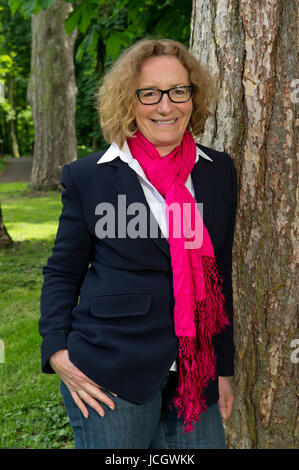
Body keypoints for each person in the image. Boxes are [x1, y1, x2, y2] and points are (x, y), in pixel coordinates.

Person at [39, 38, 237, 449]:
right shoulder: (88, 177)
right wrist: (57, 351)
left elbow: (220, 274)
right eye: (149, 93)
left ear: (192, 96)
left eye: (178, 91)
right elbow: (62, 271)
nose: (166, 106)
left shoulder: (218, 172)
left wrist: (221, 366)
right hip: (110, 371)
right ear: (128, 101)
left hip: (195, 374)